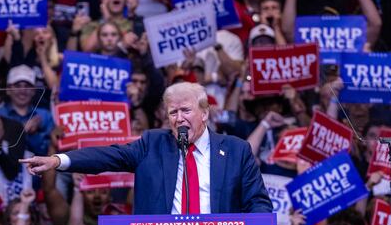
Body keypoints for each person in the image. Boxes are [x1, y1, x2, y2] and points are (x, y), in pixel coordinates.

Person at [21, 82, 272, 215]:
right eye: (173, 112)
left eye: (186, 110)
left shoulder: (236, 150)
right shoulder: (153, 143)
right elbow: (108, 156)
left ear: (205, 113)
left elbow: (258, 204)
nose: (179, 118)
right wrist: (58, 160)